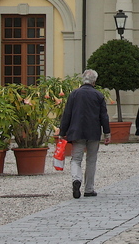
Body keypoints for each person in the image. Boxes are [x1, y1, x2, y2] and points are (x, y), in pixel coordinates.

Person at [59, 69, 111, 199]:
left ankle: (76, 179)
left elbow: (67, 115)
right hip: (93, 132)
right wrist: (107, 133)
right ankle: (89, 189)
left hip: (77, 132)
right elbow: (104, 116)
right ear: (94, 81)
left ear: (83, 79)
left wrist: (62, 132)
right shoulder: (98, 95)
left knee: (76, 159)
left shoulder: (74, 94)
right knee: (91, 160)